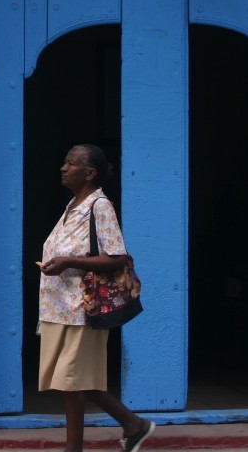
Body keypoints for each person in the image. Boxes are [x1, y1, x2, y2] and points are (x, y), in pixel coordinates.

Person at [37, 144, 155, 452]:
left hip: (82, 307)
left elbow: (116, 257)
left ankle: (75, 447)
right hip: (57, 307)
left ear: (89, 173)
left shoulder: (99, 205)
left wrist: (68, 262)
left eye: (71, 163)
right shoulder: (73, 205)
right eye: (64, 162)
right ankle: (133, 424)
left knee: (71, 379)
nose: (63, 167)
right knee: (74, 380)